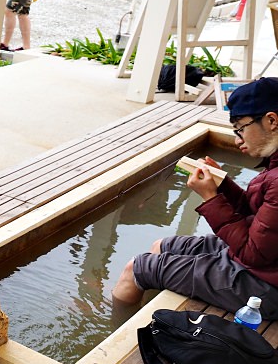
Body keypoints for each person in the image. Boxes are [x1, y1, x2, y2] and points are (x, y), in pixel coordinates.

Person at [112, 76, 278, 318]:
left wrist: (211, 197)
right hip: (262, 262)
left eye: (241, 128)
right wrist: (223, 184)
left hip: (264, 286)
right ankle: (141, 304)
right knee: (160, 247)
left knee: (135, 269)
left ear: (272, 120)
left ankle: (115, 330)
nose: (237, 139)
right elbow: (259, 215)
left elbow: (253, 255)